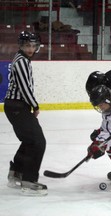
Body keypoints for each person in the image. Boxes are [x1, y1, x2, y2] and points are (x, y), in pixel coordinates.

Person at [4, 31, 47, 196]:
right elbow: (24, 88)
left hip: (17, 106)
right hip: (17, 106)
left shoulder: (22, 59)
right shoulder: (21, 61)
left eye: (33, 46)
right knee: (38, 142)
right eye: (27, 45)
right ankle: (29, 181)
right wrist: (35, 105)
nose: (31, 49)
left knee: (30, 140)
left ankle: (16, 173)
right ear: (21, 45)